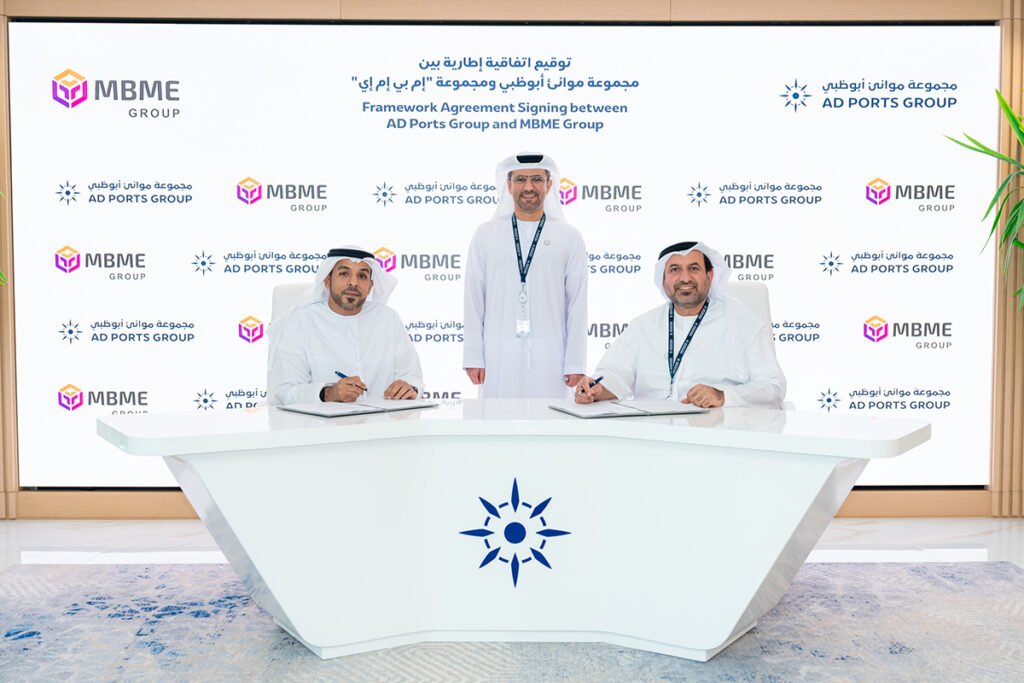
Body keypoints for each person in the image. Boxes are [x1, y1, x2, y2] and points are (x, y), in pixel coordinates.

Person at [575, 241, 785, 409]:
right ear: (663, 279)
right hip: (652, 431)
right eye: (675, 270)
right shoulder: (643, 326)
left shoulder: (742, 323)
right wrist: (595, 390)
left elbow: (772, 387)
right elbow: (615, 375)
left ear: (710, 276)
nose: (685, 278)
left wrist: (723, 396)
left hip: (718, 431)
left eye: (694, 268)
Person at [463, 152, 589, 398]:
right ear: (508, 185)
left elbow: (577, 302)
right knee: (498, 418)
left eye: (537, 179)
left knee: (551, 418)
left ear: (549, 185)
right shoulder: (486, 235)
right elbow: (473, 298)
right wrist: (473, 357)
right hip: (497, 354)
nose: (528, 187)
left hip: (551, 355)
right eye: (520, 179)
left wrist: (575, 362)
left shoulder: (569, 237)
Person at [267, 247, 423, 405]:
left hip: (383, 418)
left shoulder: (388, 318)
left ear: (370, 286)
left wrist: (409, 387)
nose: (353, 283)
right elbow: (285, 391)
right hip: (322, 419)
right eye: (344, 274)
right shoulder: (301, 321)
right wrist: (328, 393)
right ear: (327, 281)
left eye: (362, 276)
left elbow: (412, 376)